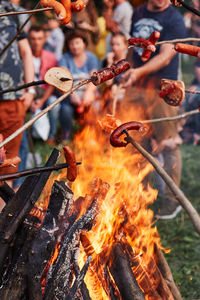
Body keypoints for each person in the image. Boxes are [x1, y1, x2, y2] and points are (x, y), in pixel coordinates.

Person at [121, 0, 187, 219]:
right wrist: (125, 70)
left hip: (164, 89)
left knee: (168, 143)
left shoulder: (174, 19)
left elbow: (165, 55)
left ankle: (171, 200)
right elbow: (133, 48)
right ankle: (136, 194)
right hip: (136, 87)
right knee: (133, 143)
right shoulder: (138, 12)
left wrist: (138, 73)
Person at [0, 0, 35, 209]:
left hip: (12, 100)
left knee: (9, 164)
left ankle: (3, 221)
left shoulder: (13, 11)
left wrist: (30, 89)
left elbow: (26, 51)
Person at [58, 30, 99, 141]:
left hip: (87, 94)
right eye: (72, 43)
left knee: (95, 106)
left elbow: (94, 79)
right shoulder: (64, 58)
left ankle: (90, 134)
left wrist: (88, 93)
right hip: (71, 94)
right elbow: (64, 80)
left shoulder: (92, 58)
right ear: (68, 45)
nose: (75, 46)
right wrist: (72, 94)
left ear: (84, 44)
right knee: (65, 109)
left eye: (78, 43)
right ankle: (65, 136)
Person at [28, 25, 58, 145]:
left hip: (44, 93)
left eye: (39, 38)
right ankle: (26, 137)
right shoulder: (24, 56)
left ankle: (51, 137)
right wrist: (30, 99)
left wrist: (42, 100)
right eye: (33, 39)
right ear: (29, 40)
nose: (36, 42)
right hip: (28, 92)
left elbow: (53, 83)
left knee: (54, 104)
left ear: (44, 39)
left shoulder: (50, 57)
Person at [102, 32, 128, 114]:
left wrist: (120, 90)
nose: (114, 48)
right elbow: (107, 83)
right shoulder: (107, 61)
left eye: (118, 44)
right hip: (111, 96)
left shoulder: (130, 61)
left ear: (125, 45)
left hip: (126, 94)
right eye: (112, 44)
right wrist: (109, 64)